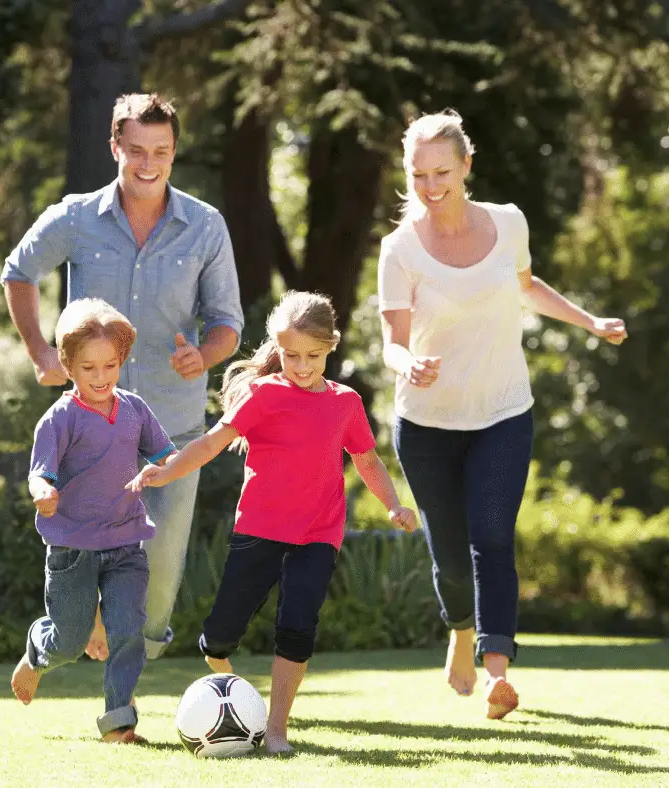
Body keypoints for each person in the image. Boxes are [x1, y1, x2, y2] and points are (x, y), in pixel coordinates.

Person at [377, 110, 628, 720]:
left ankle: (497, 674)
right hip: (428, 425)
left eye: (442, 171)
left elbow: (528, 285)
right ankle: (460, 630)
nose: (431, 186)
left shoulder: (509, 223)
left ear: (466, 165)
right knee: (451, 557)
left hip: (502, 413)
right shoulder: (400, 248)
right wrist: (405, 363)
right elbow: (391, 338)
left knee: (492, 538)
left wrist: (589, 322)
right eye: (419, 175)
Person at [1, 93, 243, 662]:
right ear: (115, 147)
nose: (147, 162)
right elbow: (18, 272)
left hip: (172, 430)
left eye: (160, 150)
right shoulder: (76, 218)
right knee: (83, 568)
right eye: (135, 149)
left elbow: (228, 322)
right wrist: (41, 352)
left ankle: (141, 646)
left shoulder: (205, 226)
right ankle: (97, 656)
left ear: (175, 151)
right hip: (90, 430)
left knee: (158, 578)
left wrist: (204, 357)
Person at [126, 291, 419, 754]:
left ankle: (277, 728)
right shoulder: (263, 395)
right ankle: (238, 696)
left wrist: (393, 504)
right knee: (220, 636)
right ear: (277, 348)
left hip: (318, 534)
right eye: (291, 354)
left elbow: (366, 461)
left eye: (314, 356)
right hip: (259, 529)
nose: (302, 366)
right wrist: (168, 470)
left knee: (298, 624)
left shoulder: (345, 403)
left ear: (332, 346)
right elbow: (212, 442)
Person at [9, 298, 177, 743]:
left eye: (109, 366)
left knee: (127, 631)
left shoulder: (135, 410)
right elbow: (38, 473)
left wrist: (164, 469)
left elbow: (166, 455)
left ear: (120, 361)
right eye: (89, 368)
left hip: (126, 543)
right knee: (69, 641)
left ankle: (119, 722)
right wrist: (42, 493)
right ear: (68, 365)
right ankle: (38, 652)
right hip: (72, 549)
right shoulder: (59, 419)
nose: (101, 377)